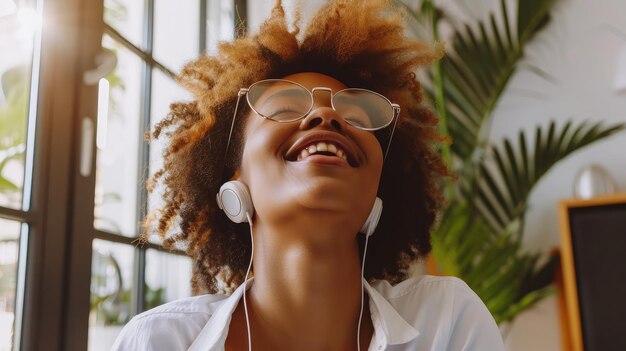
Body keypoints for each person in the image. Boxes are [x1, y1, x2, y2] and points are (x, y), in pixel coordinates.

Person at [112, 0, 505, 350]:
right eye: (285, 107)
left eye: (356, 115)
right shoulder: (158, 341)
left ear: (377, 189)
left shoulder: (448, 324)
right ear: (235, 178)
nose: (327, 115)